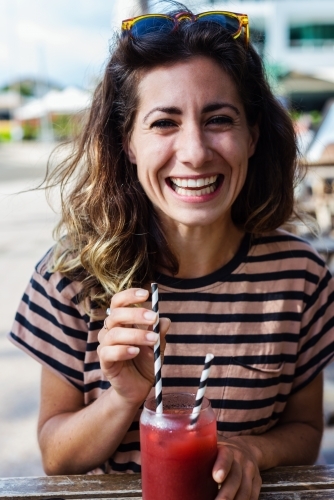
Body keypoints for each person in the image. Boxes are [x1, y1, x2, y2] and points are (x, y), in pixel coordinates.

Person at [8, 4, 334, 500]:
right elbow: (56, 457)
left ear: (253, 136)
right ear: (128, 143)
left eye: (219, 118)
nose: (196, 151)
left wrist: (253, 451)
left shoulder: (302, 277)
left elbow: (307, 433)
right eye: (164, 123)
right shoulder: (69, 276)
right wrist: (123, 397)